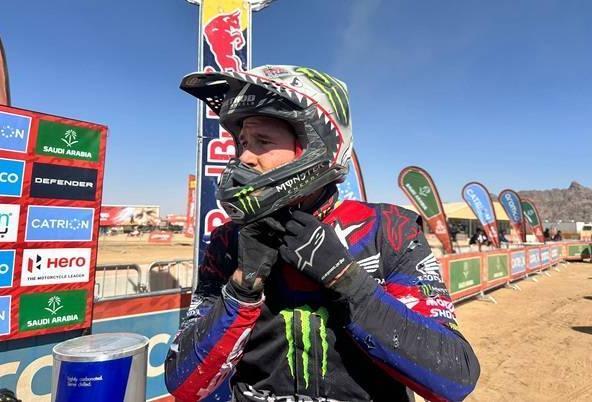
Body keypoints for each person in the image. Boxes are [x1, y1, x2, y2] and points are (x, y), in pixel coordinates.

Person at [165, 65, 480, 402]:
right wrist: (242, 288)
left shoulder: (389, 230)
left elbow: (454, 378)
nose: (245, 158)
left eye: (263, 142)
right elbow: (183, 383)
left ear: (315, 144)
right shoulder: (228, 242)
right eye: (242, 143)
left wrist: (349, 282)